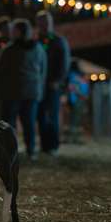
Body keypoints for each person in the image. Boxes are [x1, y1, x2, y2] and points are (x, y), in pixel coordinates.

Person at [0, 19, 47, 160]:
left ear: (17, 32)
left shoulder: (9, 49)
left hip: (12, 91)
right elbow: (43, 69)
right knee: (29, 122)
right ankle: (31, 151)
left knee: (9, 123)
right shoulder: (38, 48)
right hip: (31, 91)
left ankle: (10, 151)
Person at [36, 10, 71, 157]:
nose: (44, 24)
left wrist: (58, 81)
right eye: (41, 22)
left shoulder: (58, 41)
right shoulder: (36, 42)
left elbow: (65, 63)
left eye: (47, 21)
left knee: (52, 116)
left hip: (52, 85)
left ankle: (54, 146)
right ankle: (45, 146)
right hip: (38, 86)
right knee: (40, 115)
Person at [65, 60, 89, 144]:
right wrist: (81, 95)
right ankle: (72, 139)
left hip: (78, 98)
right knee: (74, 120)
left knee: (76, 120)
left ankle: (74, 138)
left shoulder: (76, 75)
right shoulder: (73, 75)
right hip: (77, 99)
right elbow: (72, 87)